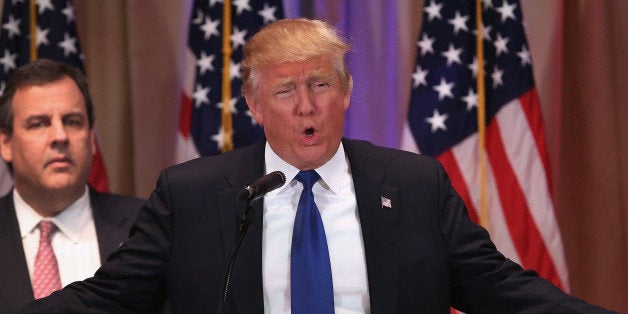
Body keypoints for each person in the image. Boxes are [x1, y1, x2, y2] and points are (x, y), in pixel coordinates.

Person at [19, 19, 614, 313]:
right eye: (284, 92)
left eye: (321, 84)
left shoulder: (412, 185)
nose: (307, 106)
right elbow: (110, 297)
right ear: (253, 105)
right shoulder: (194, 194)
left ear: (347, 91)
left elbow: (501, 287)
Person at [0, 59, 144, 313]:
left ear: (91, 139)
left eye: (73, 121)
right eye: (39, 123)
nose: (60, 136)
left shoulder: (145, 225)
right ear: (6, 143)